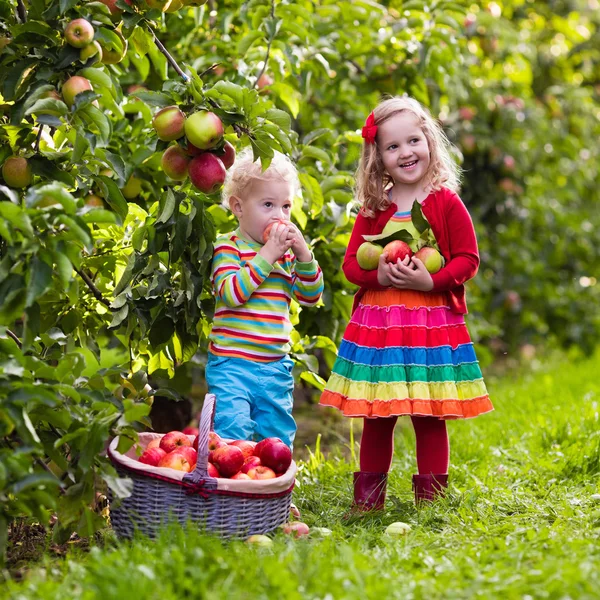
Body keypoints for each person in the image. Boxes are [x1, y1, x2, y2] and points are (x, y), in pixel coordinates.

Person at [320, 96, 493, 509]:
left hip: (429, 327)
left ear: (429, 141)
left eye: (413, 140)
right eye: (392, 146)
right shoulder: (375, 208)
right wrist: (377, 274)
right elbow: (351, 264)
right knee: (377, 415)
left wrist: (430, 279)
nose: (405, 152)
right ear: (377, 157)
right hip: (381, 329)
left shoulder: (444, 202)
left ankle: (431, 502)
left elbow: (468, 259)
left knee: (429, 415)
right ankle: (368, 502)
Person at [206, 150, 324, 449]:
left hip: (274, 367)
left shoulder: (286, 256)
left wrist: (304, 256)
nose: (279, 216)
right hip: (232, 365)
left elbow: (311, 296)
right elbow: (231, 293)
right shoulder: (228, 247)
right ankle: (232, 494)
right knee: (231, 434)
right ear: (238, 207)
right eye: (268, 204)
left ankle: (272, 494)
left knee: (276, 440)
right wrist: (267, 255)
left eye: (286, 206)